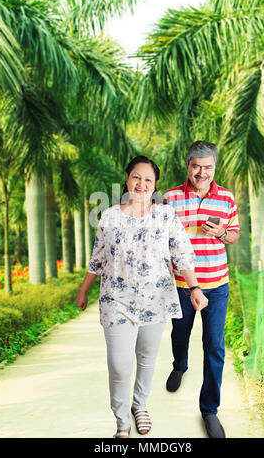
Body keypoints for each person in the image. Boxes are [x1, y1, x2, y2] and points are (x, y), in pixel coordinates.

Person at [76, 155, 208, 439]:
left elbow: (182, 254)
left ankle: (140, 405)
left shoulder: (166, 215)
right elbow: (98, 258)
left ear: (155, 185)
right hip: (116, 302)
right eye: (137, 177)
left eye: (148, 180)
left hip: (155, 300)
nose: (142, 184)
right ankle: (121, 420)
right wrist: (84, 289)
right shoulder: (110, 216)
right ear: (127, 179)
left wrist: (195, 288)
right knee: (119, 366)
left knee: (147, 358)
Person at [164, 141, 240, 439]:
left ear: (214, 167)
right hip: (181, 286)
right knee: (179, 334)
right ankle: (179, 365)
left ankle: (209, 410)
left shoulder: (226, 198)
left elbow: (233, 235)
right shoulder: (169, 198)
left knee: (214, 346)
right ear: (188, 166)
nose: (202, 172)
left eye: (208, 167)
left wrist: (221, 232)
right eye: (196, 166)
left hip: (217, 285)